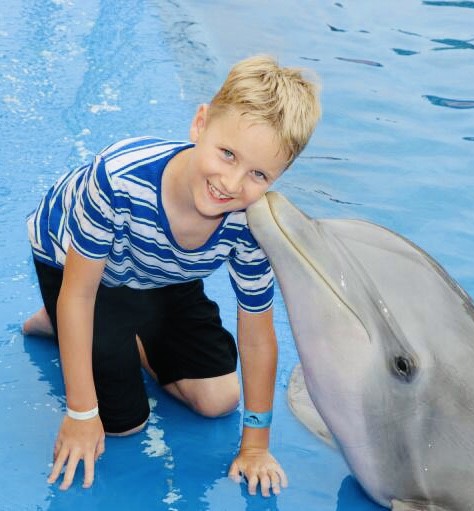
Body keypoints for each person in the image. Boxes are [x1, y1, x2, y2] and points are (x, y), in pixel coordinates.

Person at [22, 55, 321, 496]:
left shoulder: (251, 224)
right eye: (227, 154)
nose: (231, 184)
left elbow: (257, 334)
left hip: (161, 272)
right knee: (122, 422)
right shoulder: (119, 180)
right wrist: (81, 414)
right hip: (79, 268)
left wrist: (256, 443)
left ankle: (126, 331)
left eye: (258, 174)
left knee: (220, 400)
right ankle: (55, 318)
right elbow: (80, 295)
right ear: (200, 123)